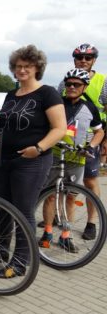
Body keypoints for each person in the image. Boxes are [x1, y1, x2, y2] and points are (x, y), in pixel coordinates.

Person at [0, 45, 66, 278]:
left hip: (32, 161)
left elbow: (59, 128)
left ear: (37, 68)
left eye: (27, 66)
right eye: (18, 66)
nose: (22, 70)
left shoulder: (47, 93)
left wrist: (38, 148)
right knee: (1, 208)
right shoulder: (12, 95)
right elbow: (2, 123)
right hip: (4, 159)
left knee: (23, 211)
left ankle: (21, 262)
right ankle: (1, 251)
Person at [40, 69, 103, 251]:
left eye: (77, 84)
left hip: (76, 158)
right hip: (54, 155)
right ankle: (48, 232)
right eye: (69, 84)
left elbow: (99, 132)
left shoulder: (90, 108)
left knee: (70, 197)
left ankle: (65, 235)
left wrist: (91, 146)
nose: (72, 87)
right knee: (50, 196)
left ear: (85, 87)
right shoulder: (56, 104)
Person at [58, 44, 107, 239]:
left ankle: (91, 222)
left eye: (88, 58)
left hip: (91, 138)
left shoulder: (102, 82)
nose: (83, 61)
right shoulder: (66, 82)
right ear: (74, 60)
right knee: (62, 180)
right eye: (80, 58)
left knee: (89, 181)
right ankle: (59, 216)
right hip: (66, 139)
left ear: (94, 60)